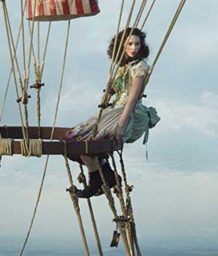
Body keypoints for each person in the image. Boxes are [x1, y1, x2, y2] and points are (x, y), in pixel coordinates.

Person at [66, 27, 160, 198]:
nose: (134, 48)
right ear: (122, 46)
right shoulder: (121, 68)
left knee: (86, 141)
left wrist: (120, 126)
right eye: (129, 44)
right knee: (74, 141)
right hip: (114, 108)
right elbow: (113, 91)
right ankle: (106, 175)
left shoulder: (140, 68)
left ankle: (97, 180)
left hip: (127, 112)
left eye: (137, 44)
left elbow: (132, 99)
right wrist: (109, 90)